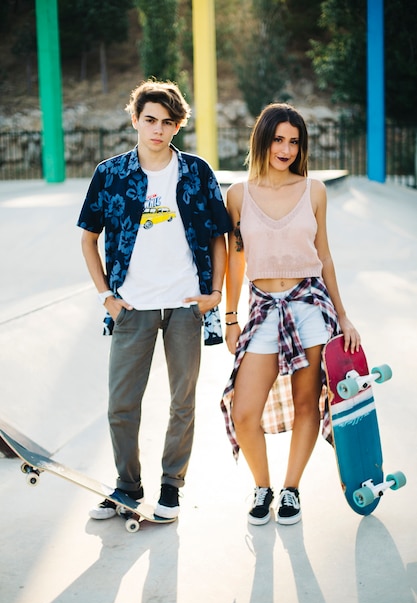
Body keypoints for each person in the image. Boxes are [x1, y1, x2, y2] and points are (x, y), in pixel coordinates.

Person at [78, 79, 231, 520]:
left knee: (182, 400)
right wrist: (107, 295)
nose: (158, 130)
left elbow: (219, 235)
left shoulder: (197, 172)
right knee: (121, 404)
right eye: (150, 120)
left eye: (167, 122)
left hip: (186, 305)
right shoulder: (110, 175)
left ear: (178, 126)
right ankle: (126, 485)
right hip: (132, 306)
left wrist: (214, 294)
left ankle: (171, 488)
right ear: (135, 120)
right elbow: (88, 240)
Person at [221, 103, 360, 526]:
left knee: (307, 405)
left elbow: (326, 257)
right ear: (262, 139)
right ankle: (261, 486)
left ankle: (291, 491)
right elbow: (235, 260)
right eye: (278, 139)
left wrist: (345, 317)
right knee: (244, 411)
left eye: (294, 141)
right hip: (264, 310)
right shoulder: (238, 195)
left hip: (310, 306)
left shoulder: (314, 190)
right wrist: (230, 318)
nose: (286, 149)